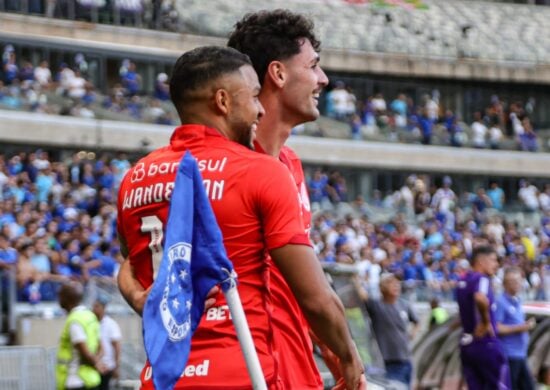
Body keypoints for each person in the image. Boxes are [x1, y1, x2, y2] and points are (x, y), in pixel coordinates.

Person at [116, 46, 365, 389]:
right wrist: (349, 359)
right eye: (253, 97)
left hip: (163, 377)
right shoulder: (260, 171)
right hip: (242, 371)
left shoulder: (135, 177)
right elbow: (315, 297)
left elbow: (129, 265)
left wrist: (138, 298)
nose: (260, 110)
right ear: (223, 101)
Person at [227, 9, 344, 388]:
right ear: (277, 74)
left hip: (296, 371)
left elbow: (300, 288)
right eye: (313, 66)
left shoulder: (290, 163)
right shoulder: (229, 168)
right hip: (250, 370)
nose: (323, 79)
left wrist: (332, 346)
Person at [456, 245, 511, 390]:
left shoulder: (462, 280)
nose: (496, 265)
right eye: (493, 260)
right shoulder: (482, 279)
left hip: (467, 343)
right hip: (486, 342)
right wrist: (486, 322)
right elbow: (480, 298)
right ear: (481, 262)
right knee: (500, 385)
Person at [355, 273, 419, 388]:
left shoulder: (404, 304)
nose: (396, 285)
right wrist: (354, 277)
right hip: (389, 362)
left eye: (397, 283)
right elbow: (362, 295)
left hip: (406, 359)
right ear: (382, 287)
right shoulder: (376, 305)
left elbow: (416, 321)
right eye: (391, 283)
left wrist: (412, 334)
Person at [56, 281, 104, 390]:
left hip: (76, 380)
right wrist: (98, 362)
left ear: (67, 299)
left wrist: (96, 363)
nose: (59, 300)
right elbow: (101, 347)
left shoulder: (75, 320)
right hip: (91, 379)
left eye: (60, 296)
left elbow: (84, 352)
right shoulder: (90, 316)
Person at [495, 267, 536, 390]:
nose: (517, 284)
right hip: (509, 355)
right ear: (505, 284)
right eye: (513, 281)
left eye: (518, 281)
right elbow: (497, 328)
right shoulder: (501, 302)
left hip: (520, 354)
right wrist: (521, 327)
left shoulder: (517, 300)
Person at [92, 296, 122, 390]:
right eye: (94, 306)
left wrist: (116, 366)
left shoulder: (110, 324)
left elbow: (116, 346)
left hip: (107, 366)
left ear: (103, 308)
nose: (94, 309)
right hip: (94, 365)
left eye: (97, 306)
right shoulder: (91, 323)